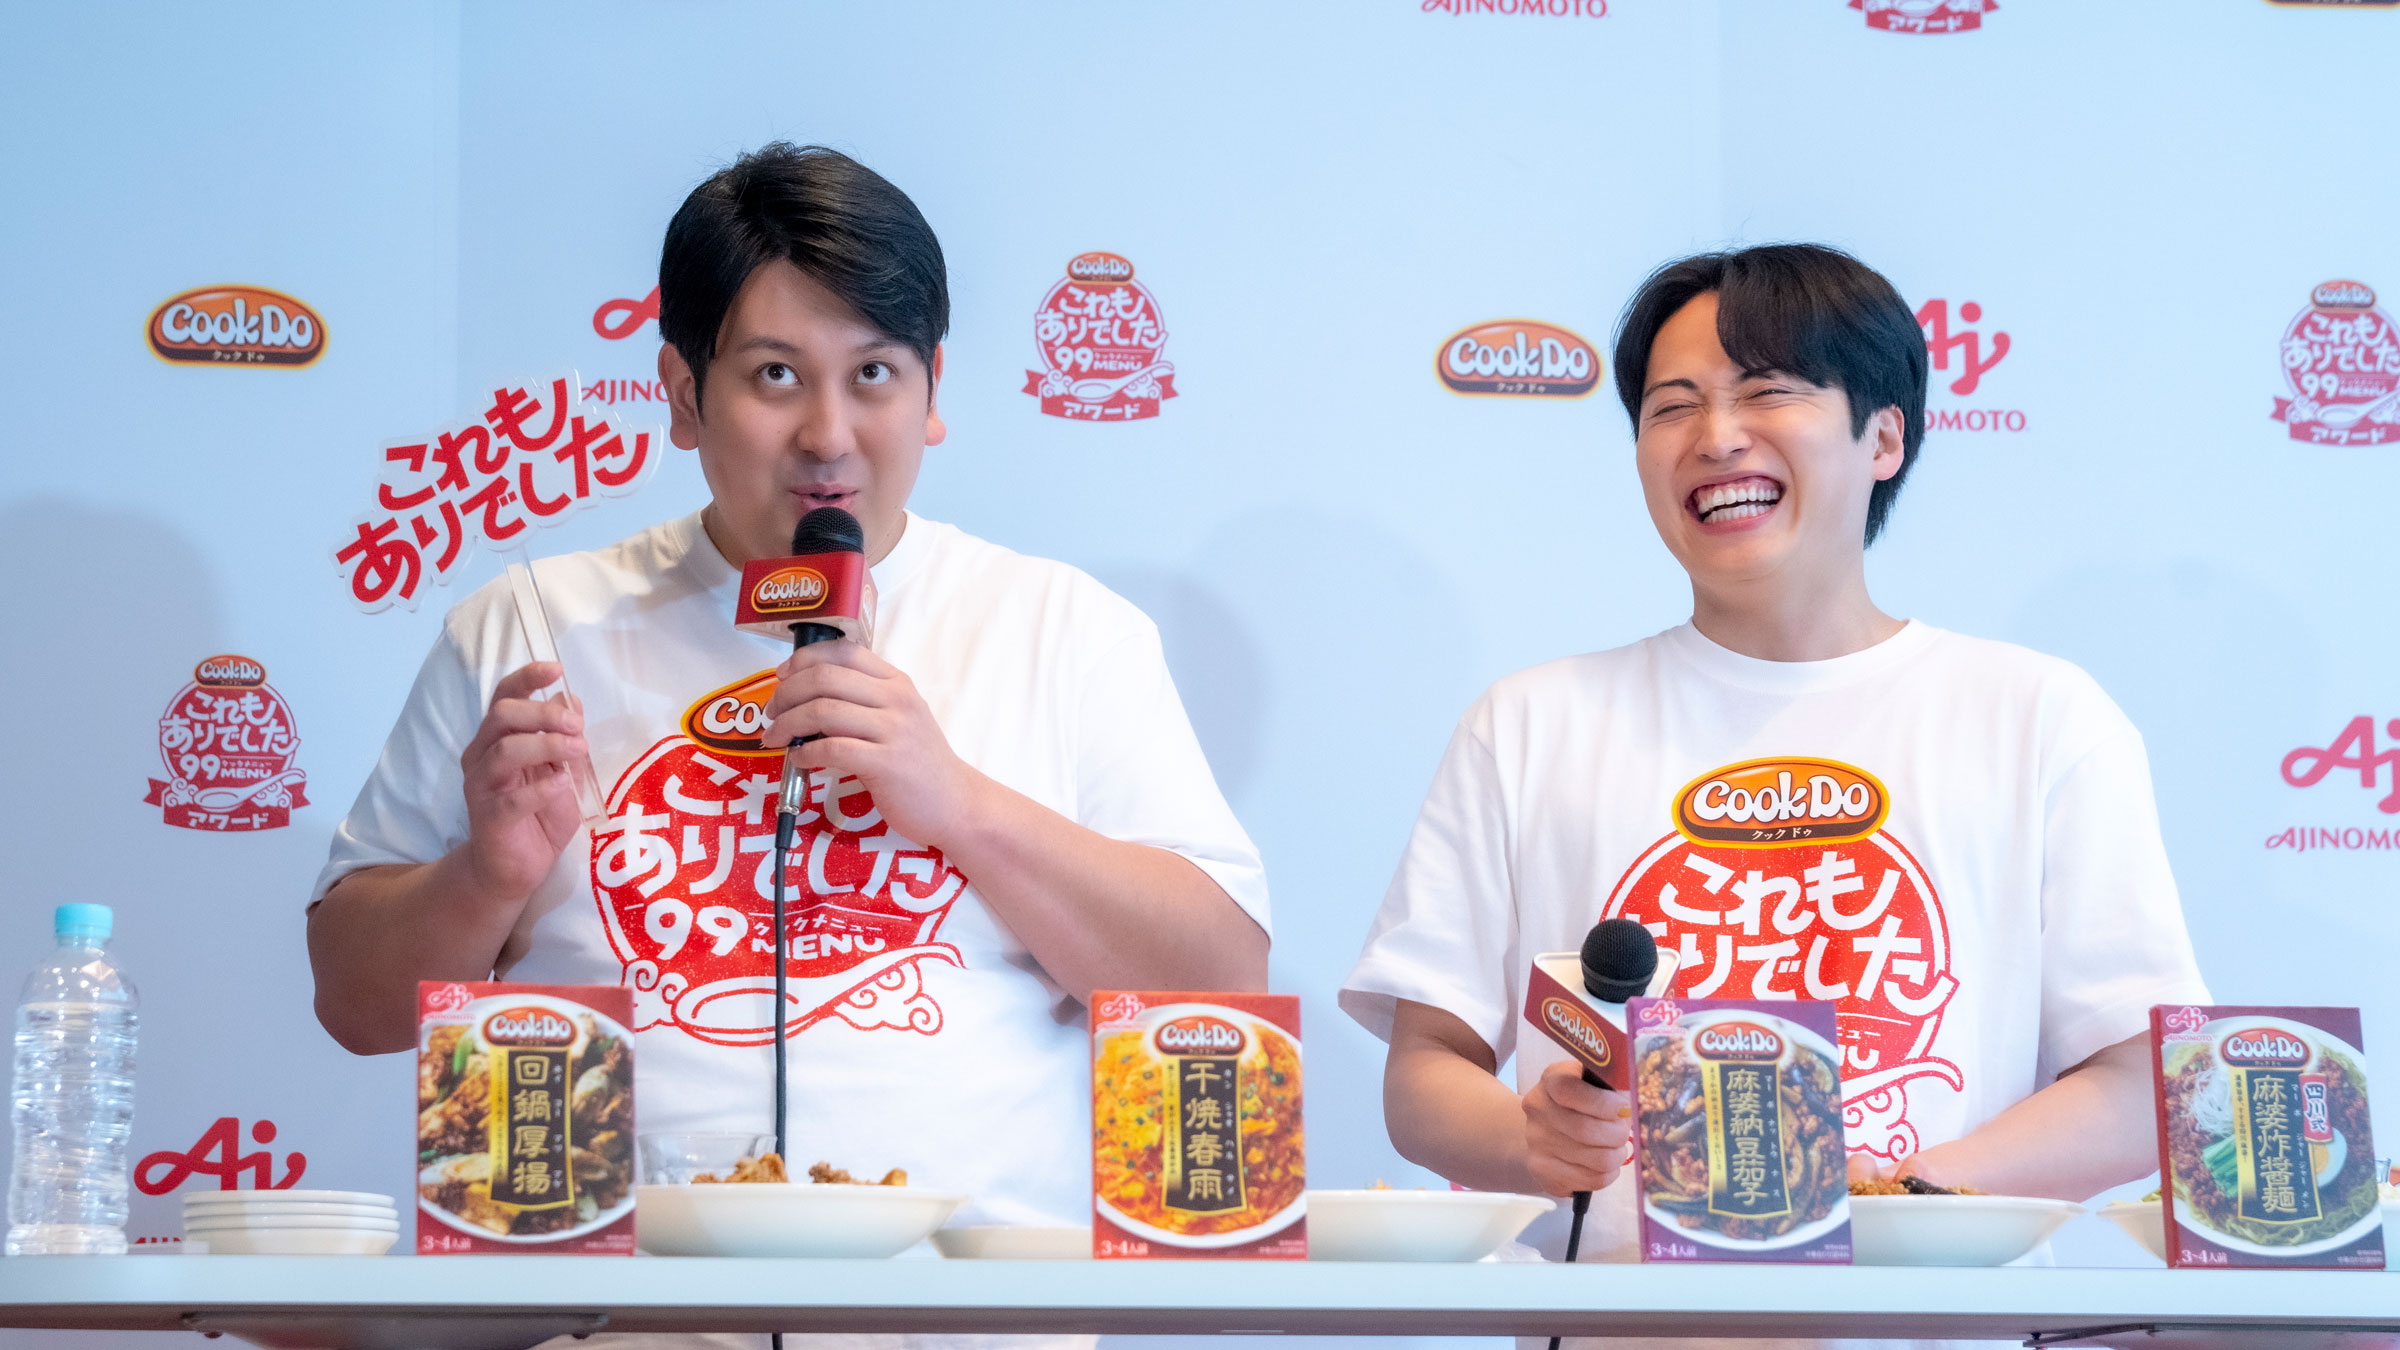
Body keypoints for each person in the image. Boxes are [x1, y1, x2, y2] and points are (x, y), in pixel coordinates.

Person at [308, 143, 1269, 1350]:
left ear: (932, 389)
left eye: (874, 374)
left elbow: (1224, 986)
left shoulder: (1062, 629)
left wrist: (959, 803)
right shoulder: (533, 627)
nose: (829, 434)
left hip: (970, 1330)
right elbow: (352, 1004)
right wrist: (482, 878)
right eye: (775, 375)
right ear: (681, 391)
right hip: (618, 1325)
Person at [1340, 244, 2208, 1350]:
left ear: (1884, 436)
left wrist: (1898, 1199)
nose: (1716, 438)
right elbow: (1425, 1070)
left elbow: (2138, 1079)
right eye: (1672, 406)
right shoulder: (1529, 722)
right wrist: (1532, 1140)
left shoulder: (2038, 715)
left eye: (1767, 391)